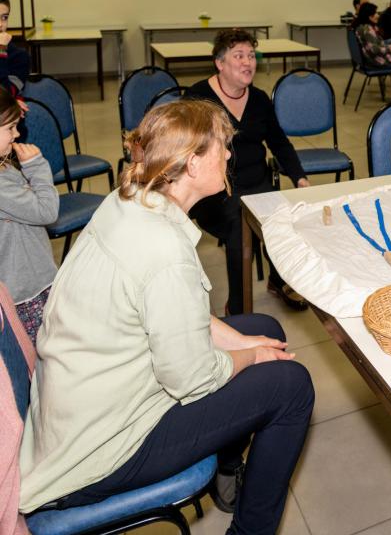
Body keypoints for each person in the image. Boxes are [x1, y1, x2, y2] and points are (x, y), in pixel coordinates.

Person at [18, 101, 315, 535]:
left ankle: (228, 470)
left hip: (85, 408)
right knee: (291, 386)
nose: (230, 156)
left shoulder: (128, 201)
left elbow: (175, 313)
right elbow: (192, 378)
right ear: (192, 163)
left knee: (262, 330)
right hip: (99, 453)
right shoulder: (164, 252)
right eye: (222, 148)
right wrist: (251, 359)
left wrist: (249, 346)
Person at [187, 29, 310, 316]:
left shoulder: (259, 98)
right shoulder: (198, 97)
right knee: (240, 227)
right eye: (238, 56)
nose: (247, 63)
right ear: (220, 63)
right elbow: (186, 147)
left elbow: (278, 141)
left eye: (251, 56)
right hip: (216, 190)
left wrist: (299, 177)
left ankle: (279, 282)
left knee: (286, 219)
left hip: (258, 182)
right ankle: (239, 307)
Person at [0, 87, 58, 344]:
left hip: (29, 284)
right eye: (10, 128)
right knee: (39, 358)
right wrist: (37, 167)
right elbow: (46, 211)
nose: (17, 134)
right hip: (25, 293)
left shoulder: (4, 169)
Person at [351, 2, 391, 87]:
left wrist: (390, 46)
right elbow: (374, 49)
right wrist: (390, 49)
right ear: (369, 16)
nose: (378, 15)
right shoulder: (367, 30)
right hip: (377, 61)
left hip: (374, 58)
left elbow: (377, 45)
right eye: (375, 13)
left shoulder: (363, 26)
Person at [0, 0, 29, 99]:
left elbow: (5, 97)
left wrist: (1, 50)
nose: (0, 24)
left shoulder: (19, 57)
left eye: (4, 17)